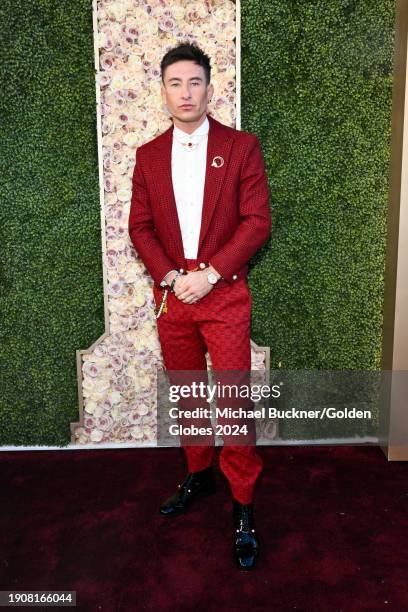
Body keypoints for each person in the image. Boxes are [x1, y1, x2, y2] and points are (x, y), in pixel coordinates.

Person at [129, 43, 271, 570]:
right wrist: (171, 276)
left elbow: (257, 221)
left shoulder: (242, 147)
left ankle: (243, 507)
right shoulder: (147, 155)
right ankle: (198, 474)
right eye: (175, 83)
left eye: (194, 82)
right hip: (173, 297)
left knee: (232, 402)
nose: (185, 93)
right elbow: (139, 227)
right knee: (188, 393)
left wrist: (209, 275)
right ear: (163, 92)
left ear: (210, 89)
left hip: (224, 290)